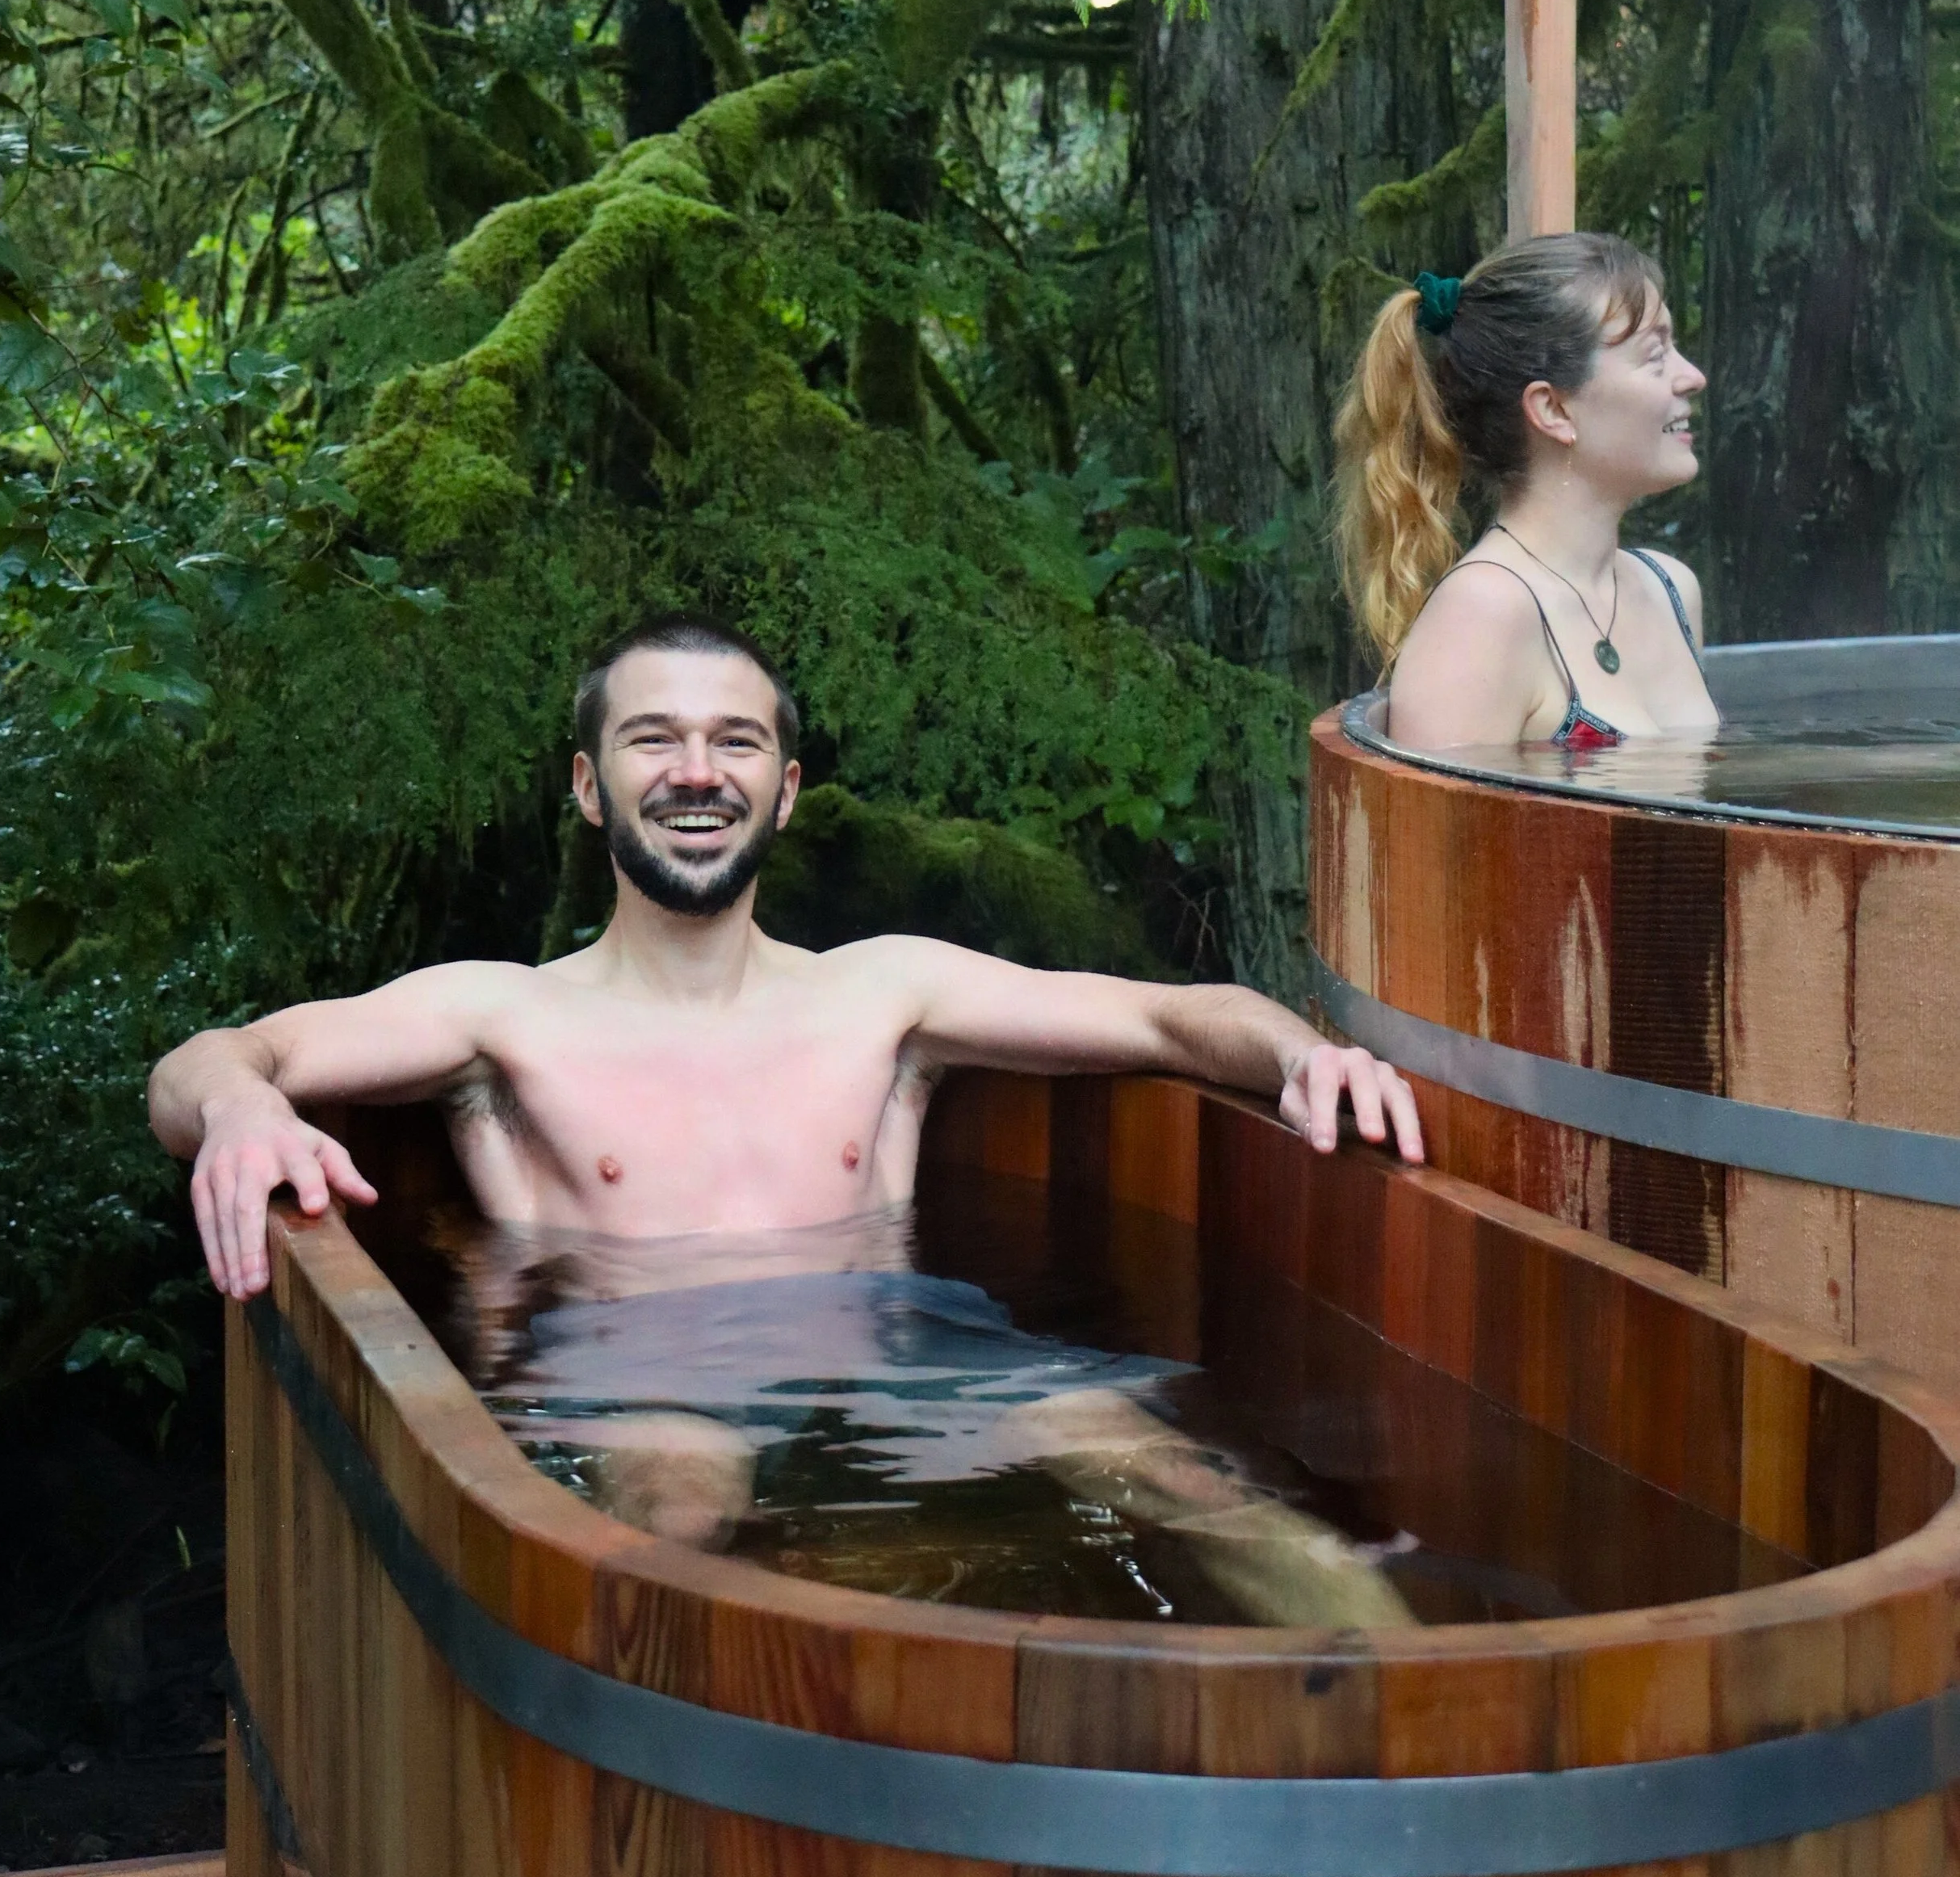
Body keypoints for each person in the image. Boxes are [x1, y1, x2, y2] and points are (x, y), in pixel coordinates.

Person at [149, 615, 1426, 1623]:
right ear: (590, 788)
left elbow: (1171, 1016)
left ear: (789, 786)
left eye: (735, 742)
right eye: (654, 740)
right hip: (634, 1357)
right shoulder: (503, 1016)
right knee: (670, 1521)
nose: (697, 772)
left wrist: (1304, 1057)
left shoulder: (885, 992)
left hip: (905, 1338)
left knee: (1196, 1483)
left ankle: (1431, 1750)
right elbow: (206, 1060)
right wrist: (246, 1107)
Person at [1333, 233, 1718, 753]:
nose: (1692, 377)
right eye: (1655, 356)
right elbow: (1433, 836)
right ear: (1554, 410)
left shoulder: (1670, 590)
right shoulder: (1482, 617)